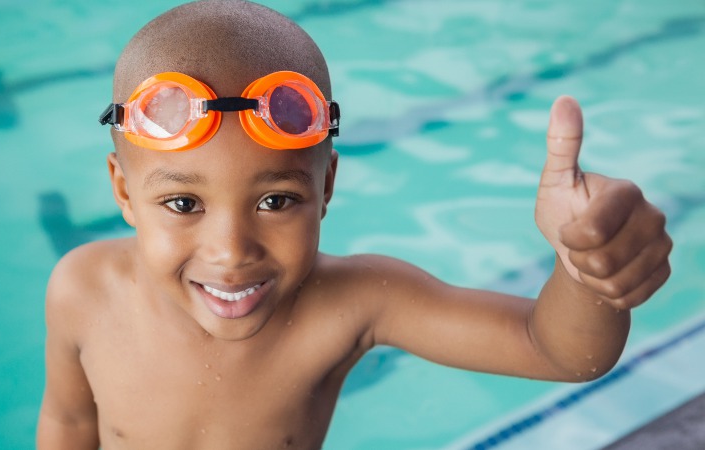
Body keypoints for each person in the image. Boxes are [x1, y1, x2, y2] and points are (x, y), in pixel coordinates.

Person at [36, 1, 672, 448]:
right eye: (183, 205)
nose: (231, 252)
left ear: (327, 186)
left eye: (276, 201)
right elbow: (68, 423)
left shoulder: (355, 303)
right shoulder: (82, 291)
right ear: (123, 189)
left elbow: (559, 351)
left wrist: (585, 272)